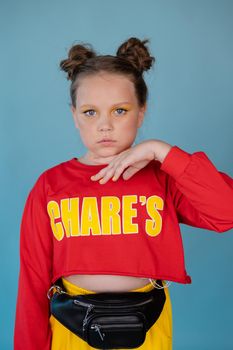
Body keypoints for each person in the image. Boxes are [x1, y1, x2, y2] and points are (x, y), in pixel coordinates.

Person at [14, 37, 233, 350]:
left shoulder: (164, 177)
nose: (105, 125)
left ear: (141, 112)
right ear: (74, 115)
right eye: (91, 112)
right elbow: (33, 280)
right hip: (71, 330)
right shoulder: (51, 185)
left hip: (148, 327)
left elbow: (227, 211)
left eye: (119, 110)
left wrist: (163, 151)